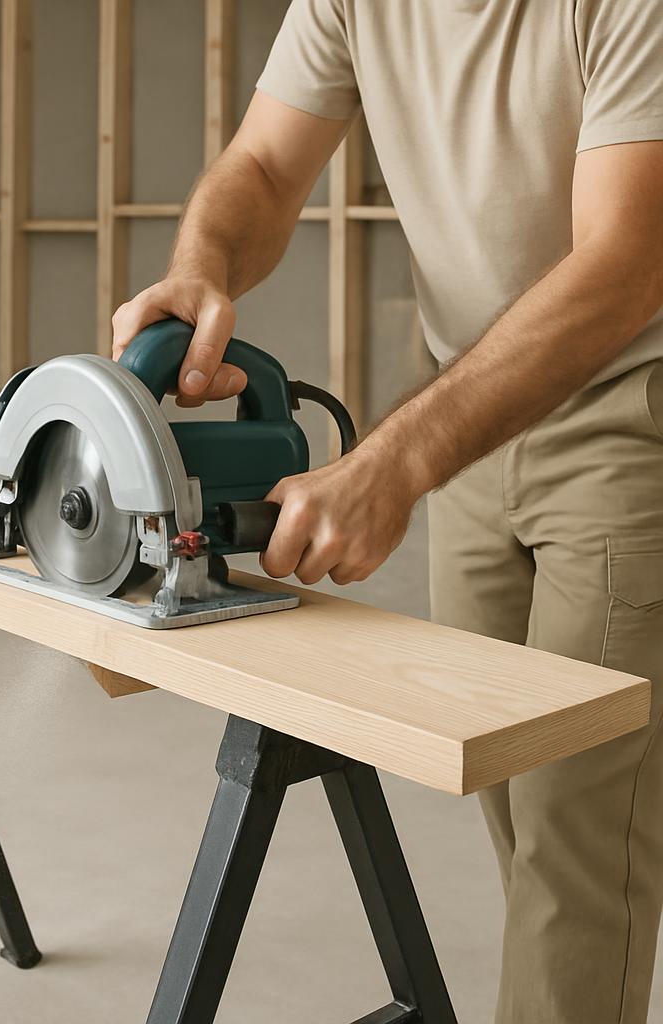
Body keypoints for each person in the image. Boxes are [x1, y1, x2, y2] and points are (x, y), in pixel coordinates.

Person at [110, 3, 663, 1021]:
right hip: (473, 416)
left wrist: (396, 460)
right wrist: (201, 266)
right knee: (511, 788)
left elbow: (624, 262)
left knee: (578, 833)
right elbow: (264, 167)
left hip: (625, 412)